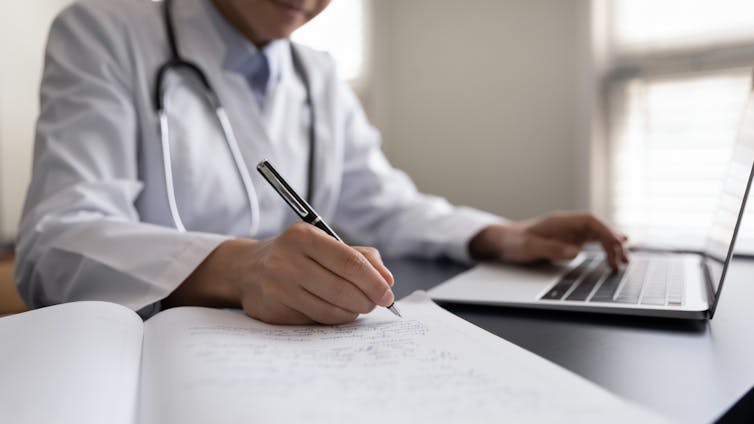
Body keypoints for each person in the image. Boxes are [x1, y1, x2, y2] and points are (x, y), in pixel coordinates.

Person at [16, 0, 628, 325]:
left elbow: (381, 201)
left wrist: (501, 234)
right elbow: (56, 243)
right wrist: (239, 267)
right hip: (154, 349)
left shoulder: (318, 74)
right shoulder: (101, 31)